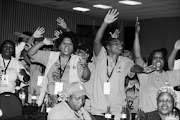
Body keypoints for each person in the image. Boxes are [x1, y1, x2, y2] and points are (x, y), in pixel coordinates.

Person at [91, 9, 150, 119]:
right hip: (98, 110)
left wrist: (142, 70)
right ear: (107, 47)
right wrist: (105, 23)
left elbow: (134, 67)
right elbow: (96, 41)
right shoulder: (101, 57)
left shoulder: (124, 61)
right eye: (116, 43)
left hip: (118, 111)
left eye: (121, 44)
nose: (120, 45)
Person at [28, 26, 91, 107]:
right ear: (59, 46)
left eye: (70, 44)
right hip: (51, 99)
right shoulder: (51, 56)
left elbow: (86, 78)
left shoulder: (77, 60)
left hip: (69, 101)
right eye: (64, 43)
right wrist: (42, 43)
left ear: (73, 47)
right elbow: (30, 54)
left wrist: (85, 66)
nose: (67, 46)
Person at [134, 19, 180, 112]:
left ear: (164, 61)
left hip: (165, 116)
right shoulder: (145, 74)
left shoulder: (169, 75)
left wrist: (175, 49)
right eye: (155, 58)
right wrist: (136, 34)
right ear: (151, 61)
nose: (158, 59)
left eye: (161, 58)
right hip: (147, 116)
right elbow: (137, 55)